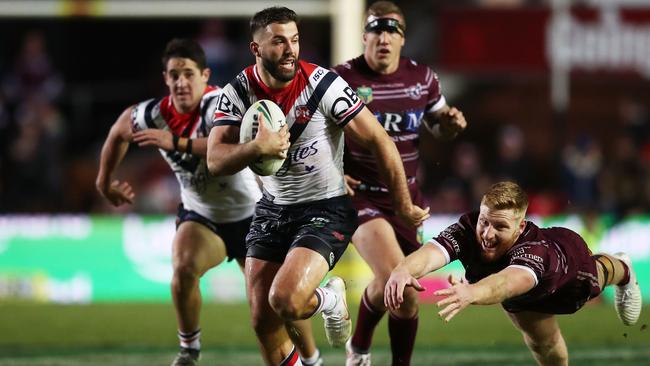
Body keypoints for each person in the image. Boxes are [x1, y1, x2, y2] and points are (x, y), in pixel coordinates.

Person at [206, 6, 430, 366]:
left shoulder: (322, 85)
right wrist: (255, 148)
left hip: (325, 208)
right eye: (278, 42)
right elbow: (215, 160)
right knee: (263, 322)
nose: (290, 49)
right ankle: (319, 323)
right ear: (256, 49)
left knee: (286, 301)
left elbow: (380, 141)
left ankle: (328, 298)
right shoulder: (237, 91)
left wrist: (403, 204)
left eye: (294, 40)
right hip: (272, 209)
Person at [95, 38, 322, 366]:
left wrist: (174, 142)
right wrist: (104, 182)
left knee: (277, 303)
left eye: (188, 73)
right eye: (174, 75)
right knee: (184, 267)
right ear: (165, 78)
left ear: (205, 75)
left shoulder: (222, 104)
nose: (181, 82)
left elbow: (219, 150)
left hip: (253, 217)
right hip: (203, 217)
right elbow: (118, 132)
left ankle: (312, 358)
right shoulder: (153, 114)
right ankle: (189, 350)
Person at [331, 2, 467, 365]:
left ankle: (358, 346)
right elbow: (312, 133)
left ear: (403, 38)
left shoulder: (422, 79)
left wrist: (450, 125)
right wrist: (331, 170)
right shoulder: (341, 79)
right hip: (360, 198)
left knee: (390, 286)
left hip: (407, 200)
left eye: (392, 30)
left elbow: (439, 124)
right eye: (376, 29)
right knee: (403, 286)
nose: (384, 38)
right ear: (364, 36)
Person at [385, 181, 643, 366]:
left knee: (600, 274)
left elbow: (508, 282)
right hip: (524, 296)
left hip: (568, 272)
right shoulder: (466, 228)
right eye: (484, 221)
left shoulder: (534, 251)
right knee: (543, 343)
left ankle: (624, 268)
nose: (487, 233)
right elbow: (433, 251)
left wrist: (471, 291)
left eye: (500, 226)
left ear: (520, 228)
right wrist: (402, 270)